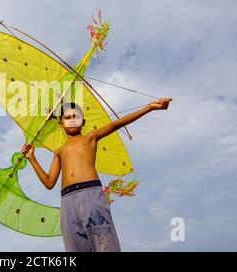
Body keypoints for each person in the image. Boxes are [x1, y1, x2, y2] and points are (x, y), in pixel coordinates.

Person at [21, 98, 172, 252]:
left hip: (90, 195)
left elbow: (116, 124)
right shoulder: (59, 151)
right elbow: (49, 182)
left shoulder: (90, 138)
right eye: (67, 117)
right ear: (61, 123)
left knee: (104, 244)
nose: (72, 120)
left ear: (83, 121)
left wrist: (148, 108)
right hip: (67, 202)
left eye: (76, 117)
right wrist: (32, 158)